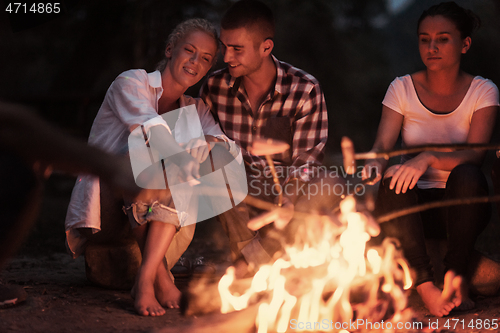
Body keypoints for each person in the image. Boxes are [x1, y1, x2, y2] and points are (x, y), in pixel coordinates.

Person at [65, 18, 238, 316]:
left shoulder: (195, 109)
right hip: (106, 211)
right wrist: (185, 156)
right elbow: (150, 129)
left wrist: (208, 143)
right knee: (150, 151)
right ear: (170, 49)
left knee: (189, 154)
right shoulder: (132, 82)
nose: (195, 62)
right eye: (190, 51)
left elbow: (226, 147)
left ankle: (146, 276)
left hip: (155, 217)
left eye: (206, 59)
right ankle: (155, 278)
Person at [362, 2, 499, 317]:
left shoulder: (483, 91)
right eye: (425, 39)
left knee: (467, 175)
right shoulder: (401, 88)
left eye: (443, 39)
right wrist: (375, 164)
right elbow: (382, 145)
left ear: (464, 44)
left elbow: (475, 156)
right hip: (412, 213)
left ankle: (454, 278)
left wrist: (426, 157)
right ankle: (425, 284)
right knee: (393, 178)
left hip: (461, 209)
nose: (432, 47)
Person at [200, 0, 342, 275]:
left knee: (330, 183)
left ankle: (248, 264)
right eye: (224, 46)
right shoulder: (215, 88)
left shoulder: (304, 89)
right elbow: (204, 145)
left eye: (237, 49)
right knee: (213, 164)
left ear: (266, 47)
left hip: (288, 191)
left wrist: (288, 199)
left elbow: (307, 160)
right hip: (239, 192)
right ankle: (256, 263)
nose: (227, 56)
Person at [0, 101, 142, 307]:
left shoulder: (190, 108)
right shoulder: (133, 82)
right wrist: (112, 168)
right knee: (17, 171)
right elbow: (12, 125)